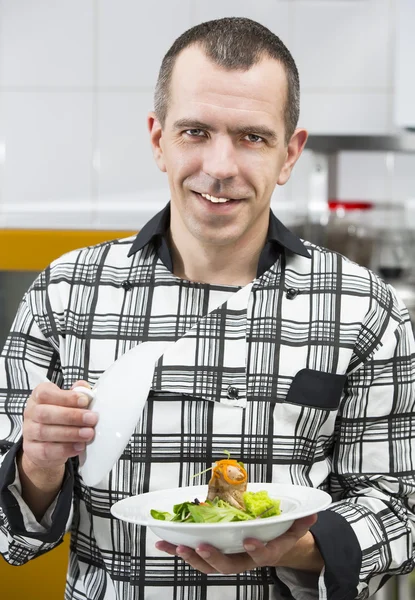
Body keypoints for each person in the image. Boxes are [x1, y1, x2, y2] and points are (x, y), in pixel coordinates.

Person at [0, 16, 414, 600]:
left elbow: (400, 507)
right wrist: (37, 467)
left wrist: (291, 546)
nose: (220, 167)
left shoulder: (367, 308)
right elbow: (12, 539)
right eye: (196, 131)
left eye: (252, 136)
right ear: (158, 140)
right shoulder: (63, 294)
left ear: (290, 153)